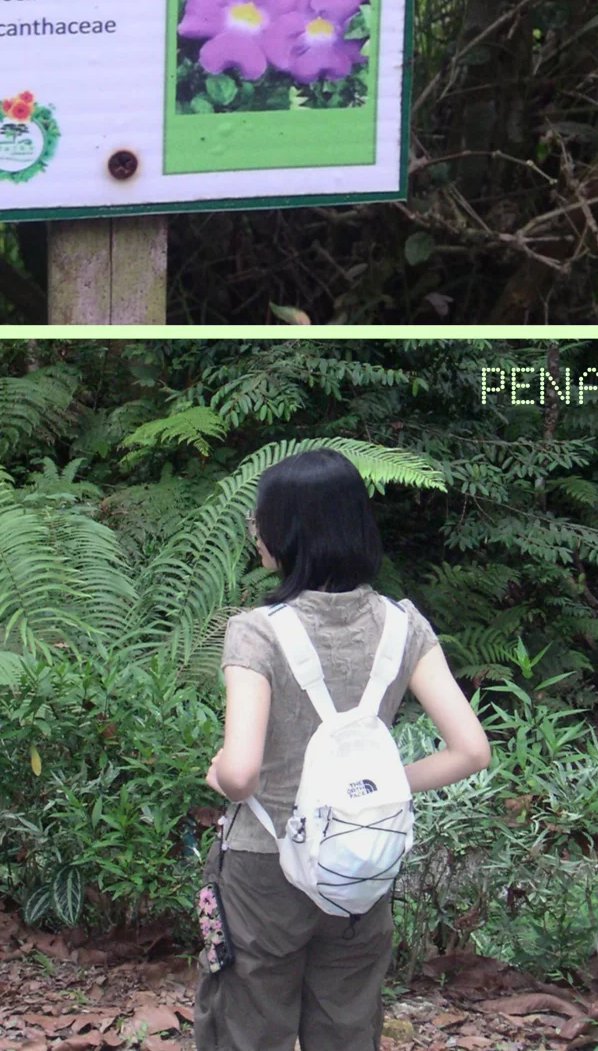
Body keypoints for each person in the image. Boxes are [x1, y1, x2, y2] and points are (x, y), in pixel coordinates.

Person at [193, 448, 491, 1051]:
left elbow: (242, 771)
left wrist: (216, 774)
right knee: (347, 1023)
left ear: (287, 532)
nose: (256, 534)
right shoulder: (404, 626)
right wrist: (370, 791)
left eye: (259, 522)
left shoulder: (258, 631)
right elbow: (470, 750)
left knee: (249, 1024)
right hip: (358, 862)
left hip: (263, 862)